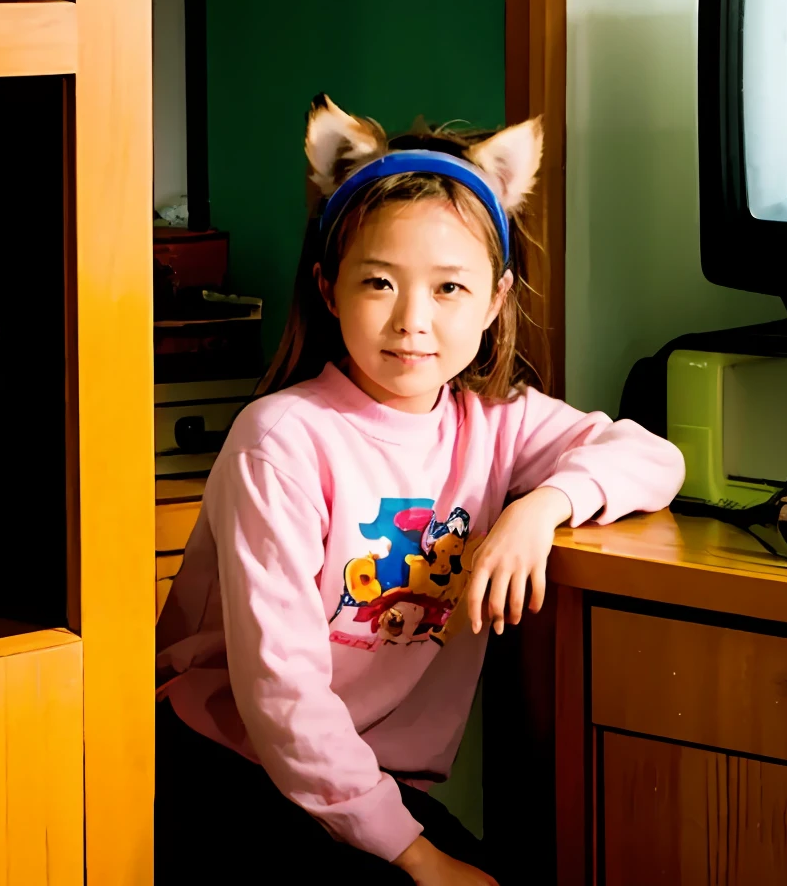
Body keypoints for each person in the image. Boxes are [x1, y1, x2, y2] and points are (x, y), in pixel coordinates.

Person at [155, 94, 684, 885]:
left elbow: (653, 458)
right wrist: (422, 860)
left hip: (368, 785)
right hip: (226, 769)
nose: (413, 322)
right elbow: (282, 699)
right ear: (329, 288)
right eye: (380, 284)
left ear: (495, 300)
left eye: (449, 289)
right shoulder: (282, 441)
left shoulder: (496, 424)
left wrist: (542, 508)